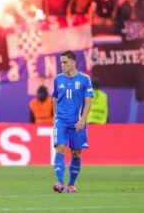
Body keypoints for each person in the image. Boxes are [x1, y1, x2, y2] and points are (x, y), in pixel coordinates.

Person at [52, 50, 93, 193]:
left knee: (76, 153)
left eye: (65, 62)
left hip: (77, 122)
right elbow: (55, 97)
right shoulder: (57, 79)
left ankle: (71, 185)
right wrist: (55, 117)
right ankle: (59, 182)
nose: (62, 65)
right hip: (61, 121)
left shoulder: (84, 79)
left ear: (73, 62)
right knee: (60, 148)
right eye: (61, 62)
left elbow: (88, 101)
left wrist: (83, 120)